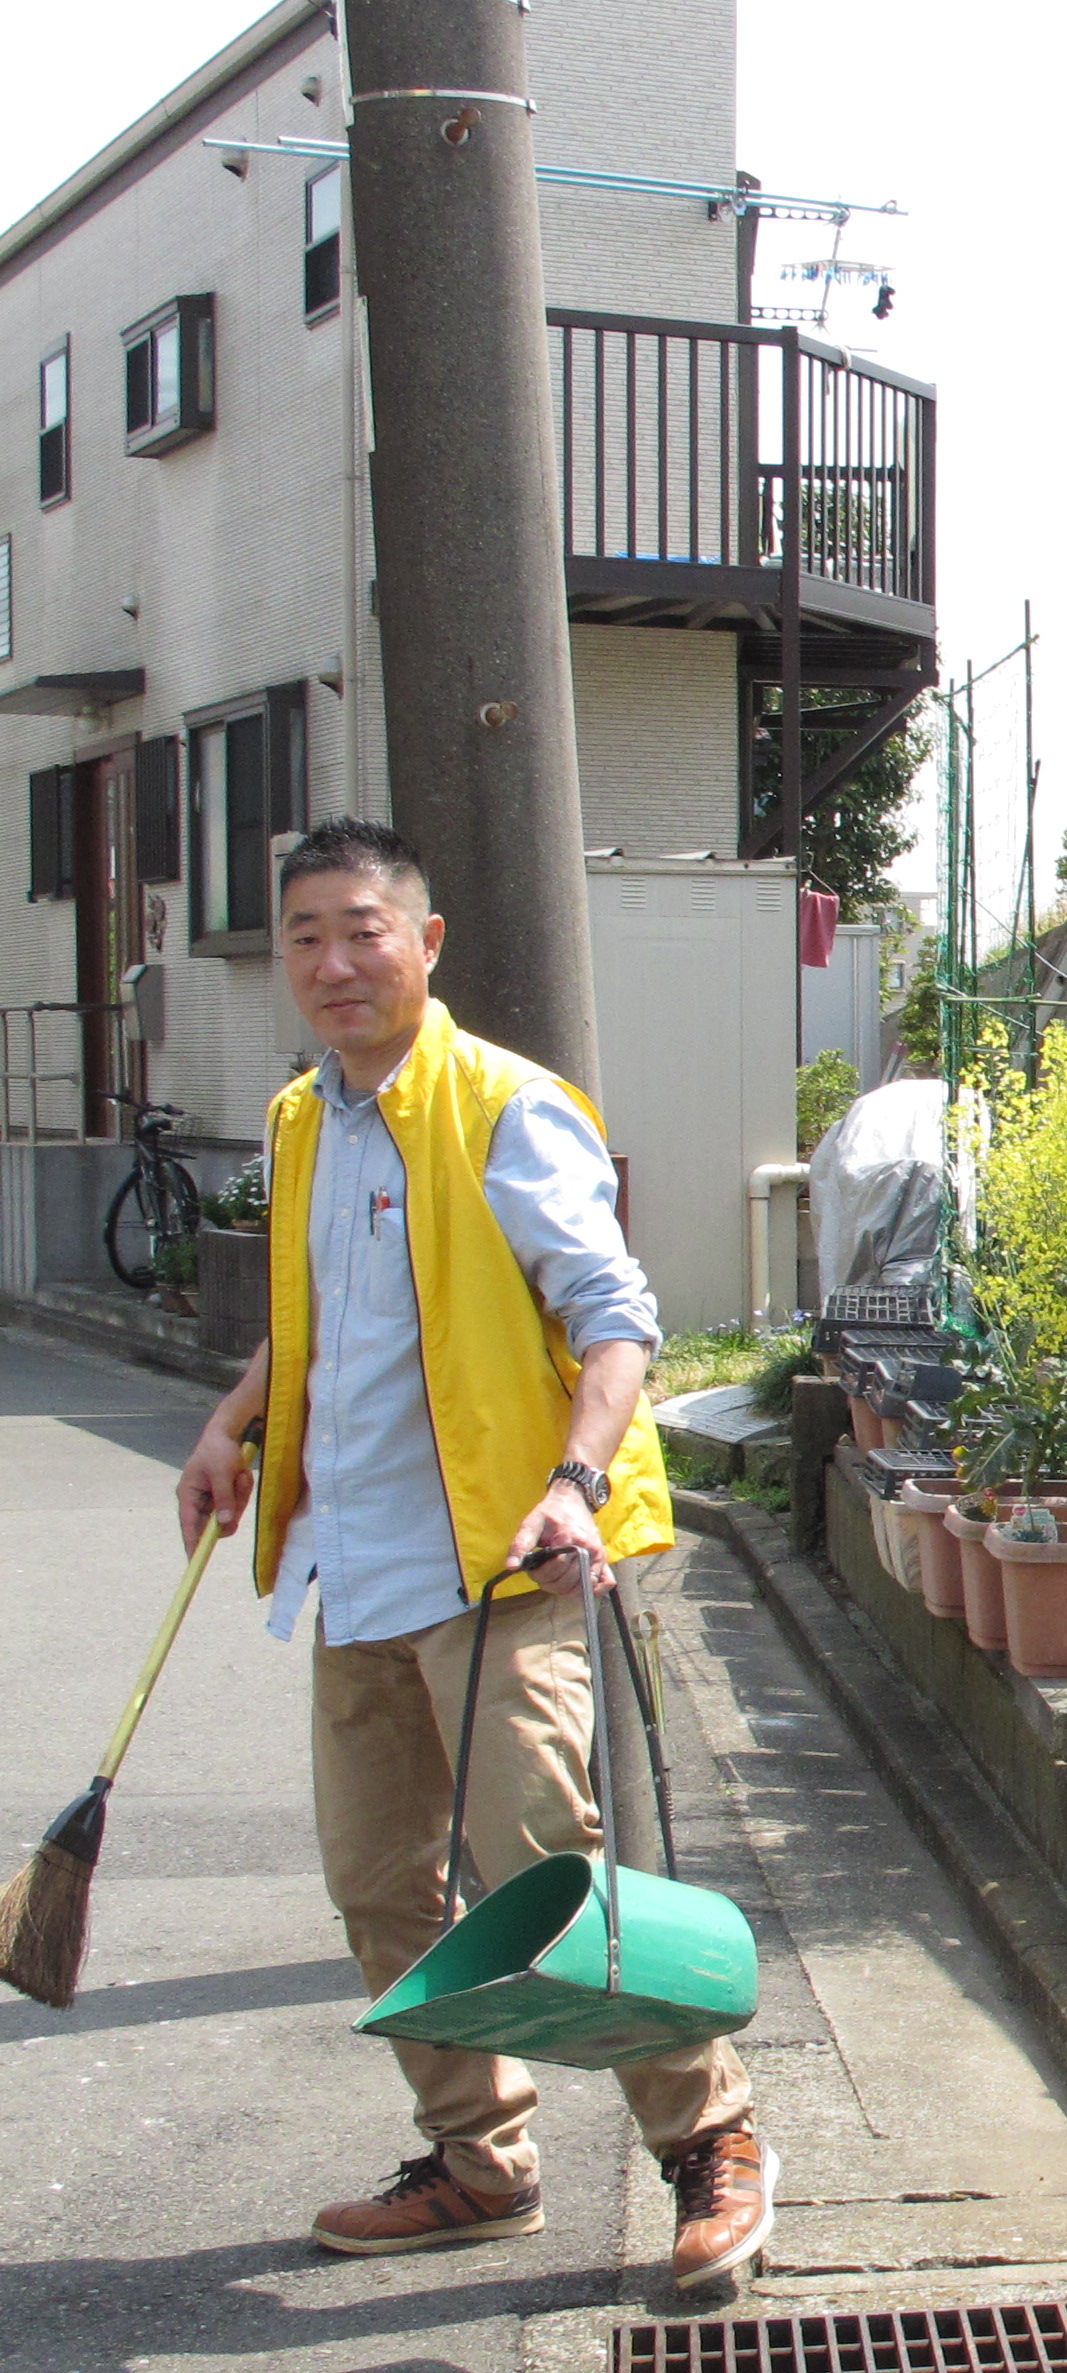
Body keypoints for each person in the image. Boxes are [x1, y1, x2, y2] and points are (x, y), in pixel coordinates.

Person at [175, 820, 775, 2290]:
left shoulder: (506, 1108)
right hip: (353, 1571)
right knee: (381, 1883)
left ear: (425, 944)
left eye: (362, 929)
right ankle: (475, 2161)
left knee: (546, 1869)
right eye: (305, 934)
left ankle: (714, 2145)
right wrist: (234, 1423)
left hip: (507, 1563)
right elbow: (323, 1309)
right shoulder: (306, 1119)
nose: (332, 962)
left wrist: (577, 1484)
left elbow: (617, 1316)